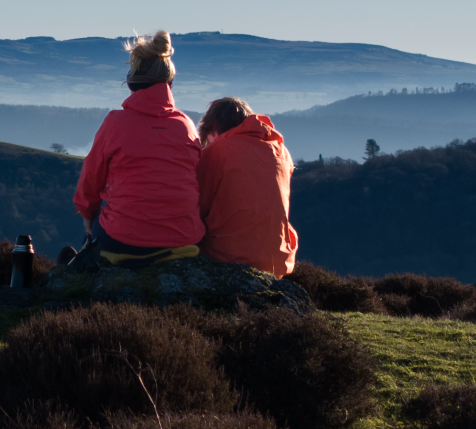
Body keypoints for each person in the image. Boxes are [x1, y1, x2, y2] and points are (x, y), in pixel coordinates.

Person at [62, 30, 204, 269]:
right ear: (169, 84)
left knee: (94, 233)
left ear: (132, 82)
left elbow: (91, 180)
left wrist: (87, 215)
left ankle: (78, 265)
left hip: (124, 239)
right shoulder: (186, 126)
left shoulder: (115, 123)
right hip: (184, 238)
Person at [194, 96, 299, 276]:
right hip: (277, 260)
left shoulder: (217, 151)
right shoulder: (282, 152)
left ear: (213, 128)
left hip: (227, 257)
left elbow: (195, 207)